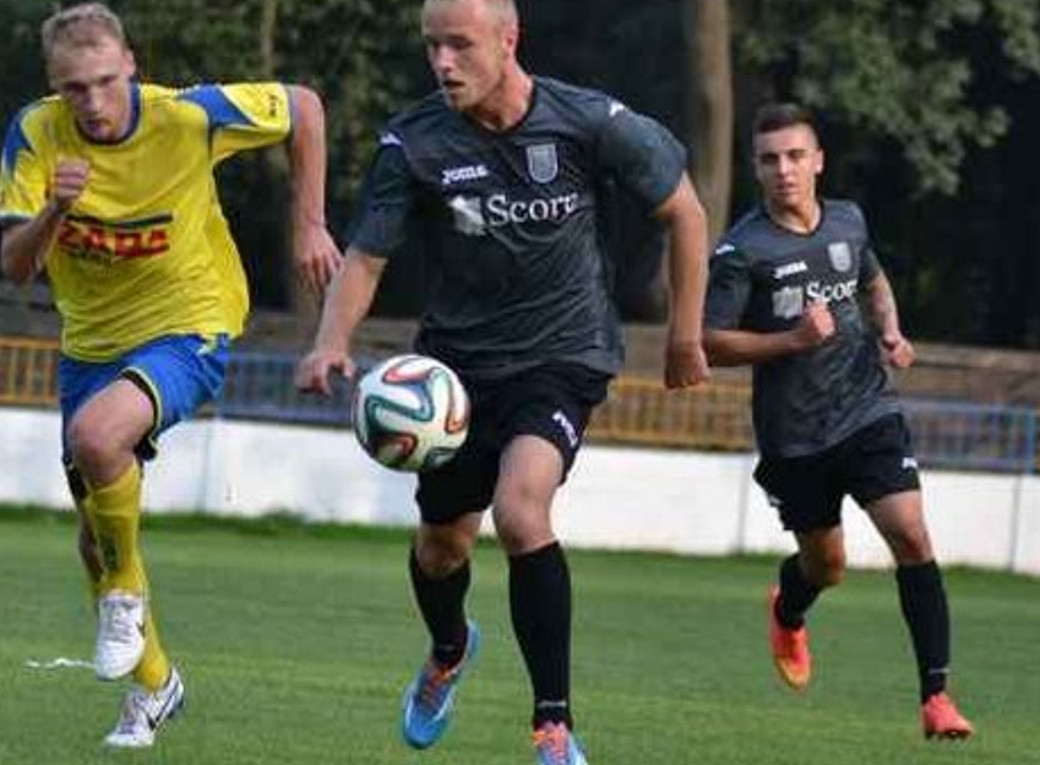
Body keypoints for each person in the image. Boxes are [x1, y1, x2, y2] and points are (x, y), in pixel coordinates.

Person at [295, 1, 709, 763]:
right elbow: (368, 256)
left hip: (563, 356)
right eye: (432, 46)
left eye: (460, 44)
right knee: (441, 547)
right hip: (456, 372)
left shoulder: (589, 122)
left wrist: (685, 334)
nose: (443, 62)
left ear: (509, 38)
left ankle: (553, 724)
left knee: (522, 511)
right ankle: (449, 649)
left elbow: (684, 210)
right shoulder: (412, 142)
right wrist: (330, 342)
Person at [0, 2, 341, 749]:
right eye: (74, 88)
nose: (93, 102)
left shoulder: (187, 117)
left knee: (97, 439)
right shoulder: (35, 133)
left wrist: (310, 223)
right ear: (54, 86)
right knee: (93, 539)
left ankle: (123, 599)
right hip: (92, 345)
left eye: (106, 81)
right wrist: (55, 209)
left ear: (132, 66)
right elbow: (16, 267)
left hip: (191, 321)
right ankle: (154, 685)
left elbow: (304, 108)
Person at [702, 102, 975, 739]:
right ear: (756, 168)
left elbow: (873, 281)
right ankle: (788, 609)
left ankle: (936, 697)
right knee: (826, 567)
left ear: (818, 161)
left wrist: (891, 331)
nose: (784, 170)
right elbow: (710, 342)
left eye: (795, 156)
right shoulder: (742, 250)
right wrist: (791, 341)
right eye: (770, 160)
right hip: (795, 437)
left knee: (911, 535)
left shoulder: (849, 221)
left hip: (867, 408)